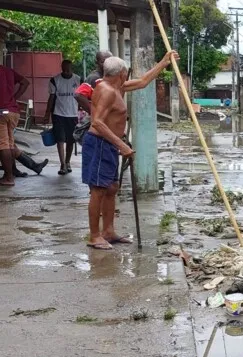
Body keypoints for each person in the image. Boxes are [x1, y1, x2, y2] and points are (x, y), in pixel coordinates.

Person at [83, 52, 178, 250]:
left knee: (111, 188)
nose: (127, 74)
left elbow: (143, 81)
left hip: (109, 144)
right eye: (126, 71)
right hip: (100, 143)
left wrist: (163, 62)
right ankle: (94, 236)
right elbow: (97, 123)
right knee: (98, 190)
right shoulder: (107, 91)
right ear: (121, 73)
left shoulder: (118, 87)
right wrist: (122, 144)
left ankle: (108, 231)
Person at [45, 60, 82, 175]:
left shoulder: (78, 80)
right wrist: (47, 114)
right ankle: (62, 164)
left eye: (68, 69)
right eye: (64, 69)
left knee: (70, 141)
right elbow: (51, 98)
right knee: (60, 140)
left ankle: (68, 162)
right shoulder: (54, 80)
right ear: (61, 68)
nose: (66, 72)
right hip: (58, 114)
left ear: (72, 68)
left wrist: (83, 111)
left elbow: (82, 97)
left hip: (72, 115)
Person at [0, 63, 30, 186]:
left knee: (3, 145)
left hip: (1, 112)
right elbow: (25, 82)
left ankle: (9, 177)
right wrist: (14, 98)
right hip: (13, 112)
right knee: (10, 145)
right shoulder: (8, 71)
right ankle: (11, 173)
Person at [75, 50, 113, 117]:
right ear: (97, 62)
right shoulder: (94, 78)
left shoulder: (109, 76)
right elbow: (78, 95)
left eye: (109, 61)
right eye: (103, 61)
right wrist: (92, 112)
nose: (106, 64)